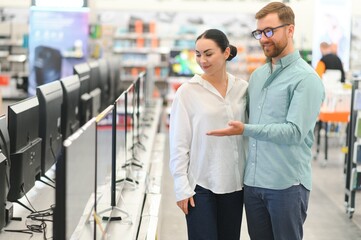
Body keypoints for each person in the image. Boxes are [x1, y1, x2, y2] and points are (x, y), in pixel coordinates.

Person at [207, 2, 325, 240]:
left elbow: (294, 132)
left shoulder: (306, 79)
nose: (263, 39)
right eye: (259, 33)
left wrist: (246, 130)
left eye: (270, 31)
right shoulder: (258, 76)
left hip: (286, 185)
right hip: (252, 184)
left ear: (290, 30)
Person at [169, 29, 248, 240]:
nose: (202, 60)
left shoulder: (242, 89)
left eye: (208, 53)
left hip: (234, 184)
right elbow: (178, 143)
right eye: (198, 54)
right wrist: (181, 187)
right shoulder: (187, 92)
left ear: (226, 52)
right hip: (200, 186)